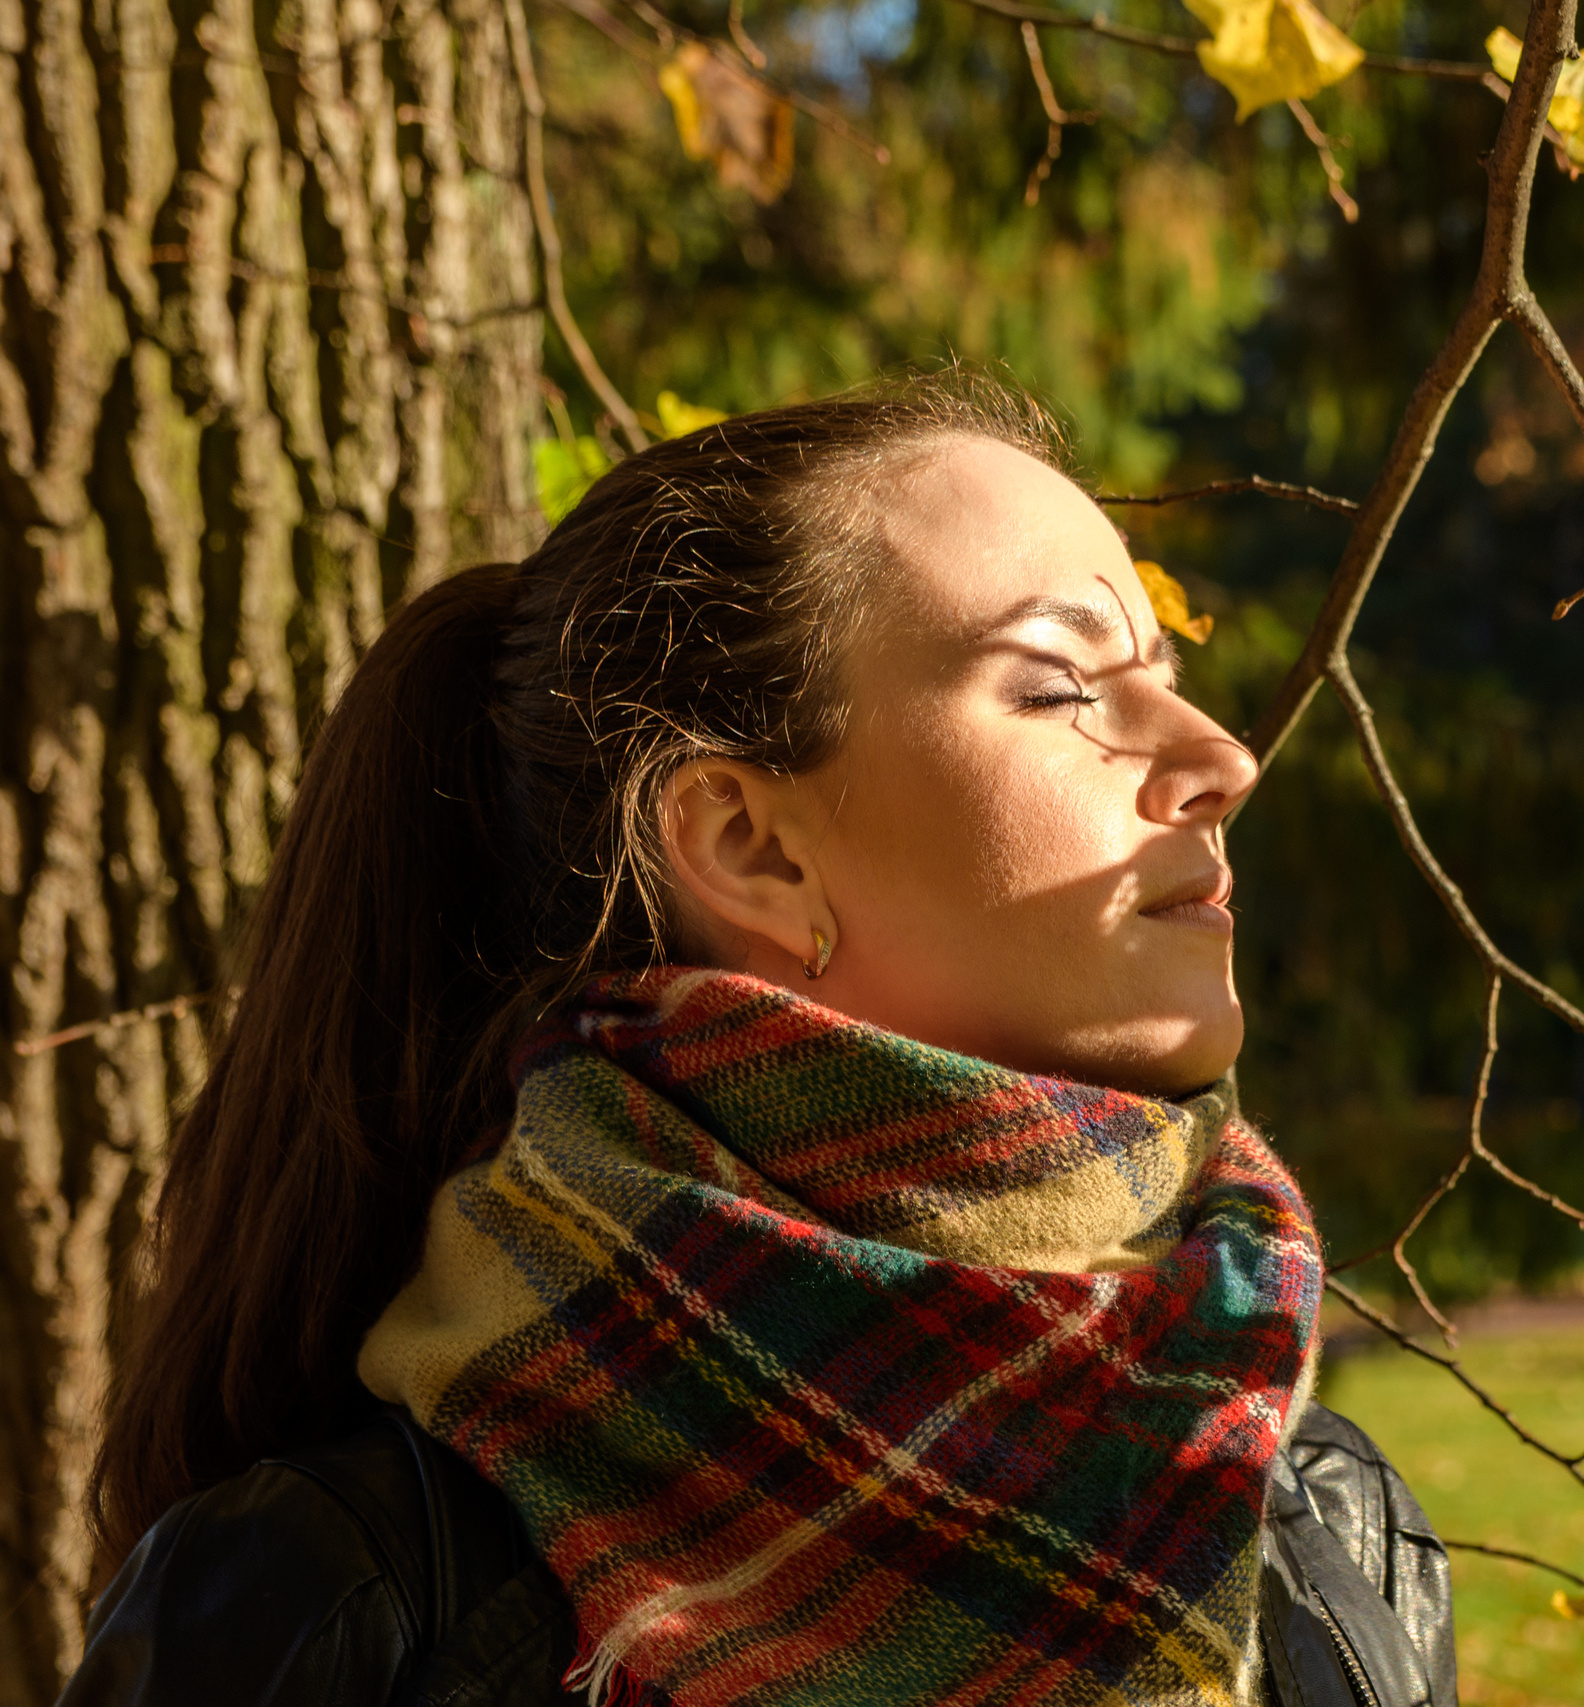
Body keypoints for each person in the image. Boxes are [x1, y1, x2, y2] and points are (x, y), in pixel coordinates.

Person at [61, 378, 1455, 1707]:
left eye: (1159, 668)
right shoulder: (342, 1603)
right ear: (747, 845)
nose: (1222, 754)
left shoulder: (1315, 1515)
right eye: (1056, 686)